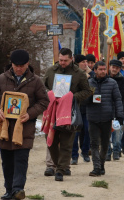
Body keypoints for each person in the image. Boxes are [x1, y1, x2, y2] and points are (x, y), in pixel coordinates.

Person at [0, 49, 49, 200]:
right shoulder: (2, 79)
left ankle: (18, 190)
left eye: (22, 65)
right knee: (7, 162)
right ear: (11, 64)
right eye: (16, 65)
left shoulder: (36, 81)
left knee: (21, 160)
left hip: (24, 128)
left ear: (27, 64)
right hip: (5, 129)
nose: (19, 68)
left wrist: (30, 113)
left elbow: (44, 101)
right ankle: (9, 190)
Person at [43, 48, 92, 182]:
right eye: (61, 60)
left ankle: (60, 170)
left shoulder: (79, 73)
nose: (63, 63)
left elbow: (87, 91)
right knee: (51, 140)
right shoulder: (51, 71)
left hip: (69, 112)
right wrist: (50, 95)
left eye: (65, 60)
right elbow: (43, 87)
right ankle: (59, 164)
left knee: (66, 142)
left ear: (72, 59)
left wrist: (72, 97)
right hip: (53, 111)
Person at [86, 61, 124, 176]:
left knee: (105, 143)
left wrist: (119, 116)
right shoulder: (89, 83)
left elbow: (118, 99)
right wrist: (89, 98)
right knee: (94, 143)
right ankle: (96, 167)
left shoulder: (112, 83)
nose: (103, 71)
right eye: (100, 69)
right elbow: (82, 100)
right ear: (95, 70)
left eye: (104, 69)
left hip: (107, 117)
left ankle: (101, 164)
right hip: (93, 117)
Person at [71, 54, 91, 165]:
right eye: (83, 62)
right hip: (75, 107)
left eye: (86, 62)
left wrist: (90, 73)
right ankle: (74, 155)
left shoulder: (90, 74)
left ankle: (85, 152)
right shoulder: (73, 74)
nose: (85, 64)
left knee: (87, 130)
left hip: (87, 107)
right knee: (75, 133)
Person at [106, 59, 124, 160]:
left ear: (119, 69)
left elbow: (122, 95)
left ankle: (116, 150)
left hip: (117, 110)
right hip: (106, 109)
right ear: (110, 67)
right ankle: (107, 152)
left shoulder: (123, 81)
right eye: (112, 67)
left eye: (116, 67)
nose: (114, 69)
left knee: (117, 132)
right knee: (106, 133)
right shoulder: (105, 78)